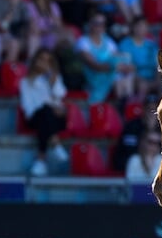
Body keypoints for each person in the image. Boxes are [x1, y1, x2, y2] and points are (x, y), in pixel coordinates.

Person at [19, 48, 67, 176]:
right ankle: (55, 144)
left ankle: (41, 161)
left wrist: (51, 81)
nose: (44, 63)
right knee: (45, 113)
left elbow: (60, 94)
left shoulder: (54, 78)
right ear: (35, 61)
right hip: (35, 117)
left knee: (48, 115)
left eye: (48, 61)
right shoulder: (25, 82)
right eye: (41, 59)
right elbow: (27, 106)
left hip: (55, 116)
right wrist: (48, 107)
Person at [76, 13, 133, 106]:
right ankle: (122, 105)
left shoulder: (108, 41)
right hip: (92, 76)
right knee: (119, 75)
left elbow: (120, 60)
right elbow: (95, 66)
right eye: (97, 23)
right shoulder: (83, 42)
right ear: (90, 24)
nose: (100, 26)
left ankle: (125, 106)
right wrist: (116, 67)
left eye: (102, 24)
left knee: (126, 66)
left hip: (109, 73)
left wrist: (125, 67)